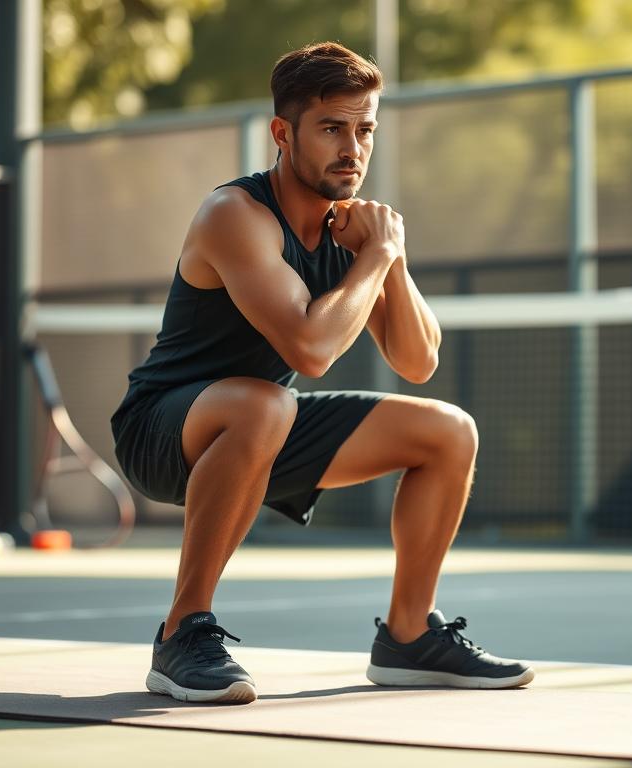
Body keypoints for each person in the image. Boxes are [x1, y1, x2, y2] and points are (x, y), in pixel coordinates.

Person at [110, 42, 534, 704]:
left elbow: (418, 361)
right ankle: (181, 635)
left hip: (263, 427)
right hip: (164, 430)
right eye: (332, 128)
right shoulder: (235, 216)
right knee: (266, 405)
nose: (352, 148)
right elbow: (310, 350)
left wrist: (388, 258)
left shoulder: (353, 234)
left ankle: (409, 635)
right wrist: (377, 255)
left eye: (364, 129)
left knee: (450, 431)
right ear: (283, 133)